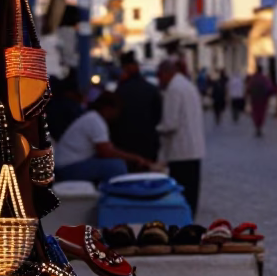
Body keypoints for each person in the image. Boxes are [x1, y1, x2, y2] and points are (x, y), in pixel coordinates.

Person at [54, 91, 153, 182]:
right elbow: (106, 152)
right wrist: (135, 158)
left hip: (66, 165)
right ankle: (115, 197)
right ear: (108, 109)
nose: (117, 114)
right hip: (67, 168)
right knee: (116, 167)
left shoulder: (91, 117)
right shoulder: (95, 121)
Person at [157, 58, 205, 216]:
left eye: (160, 76)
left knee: (182, 194)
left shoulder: (174, 89)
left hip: (180, 151)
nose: (159, 81)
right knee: (192, 194)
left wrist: (156, 129)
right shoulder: (188, 85)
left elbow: (170, 123)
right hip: (194, 148)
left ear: (165, 74)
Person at [113, 51, 162, 162]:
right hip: (148, 143)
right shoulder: (151, 89)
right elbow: (157, 116)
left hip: (125, 144)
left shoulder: (120, 91)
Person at [247, 63, 275, 137]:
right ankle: (260, 126)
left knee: (255, 113)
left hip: (254, 98)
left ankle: (257, 126)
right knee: (261, 113)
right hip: (263, 99)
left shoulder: (253, 79)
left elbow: (248, 88)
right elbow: (270, 88)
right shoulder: (264, 78)